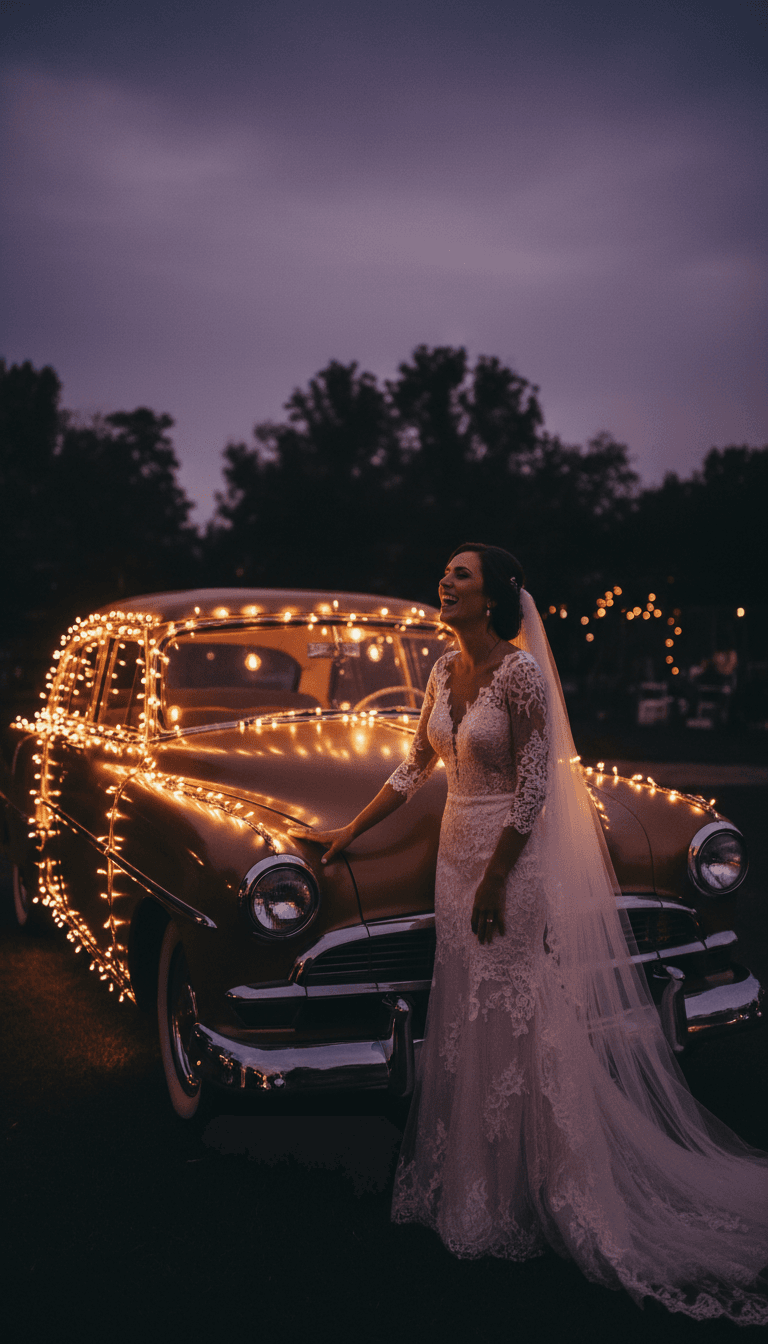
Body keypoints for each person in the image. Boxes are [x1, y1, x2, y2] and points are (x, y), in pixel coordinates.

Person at [289, 544, 768, 1324]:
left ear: (495, 596)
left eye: (461, 576)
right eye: (444, 573)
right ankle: (476, 1182)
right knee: (466, 1008)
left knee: (516, 1007)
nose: (444, 582)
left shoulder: (521, 674)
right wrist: (349, 830)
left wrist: (496, 878)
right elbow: (415, 765)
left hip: (508, 860)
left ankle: (549, 1182)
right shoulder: (443, 671)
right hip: (453, 854)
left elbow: (538, 787)